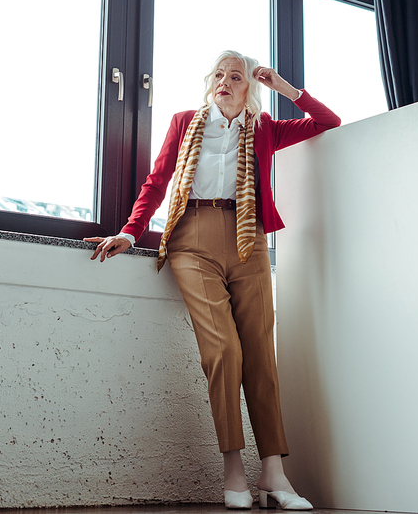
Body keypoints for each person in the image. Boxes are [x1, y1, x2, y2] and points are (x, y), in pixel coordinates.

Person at [85, 51, 340, 510]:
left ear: (250, 87)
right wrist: (130, 231)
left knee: (261, 354)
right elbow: (157, 181)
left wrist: (285, 88)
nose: (224, 81)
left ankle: (276, 474)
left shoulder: (264, 128)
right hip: (192, 239)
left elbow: (328, 121)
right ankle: (234, 469)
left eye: (235, 76)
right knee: (224, 350)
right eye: (218, 75)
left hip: (249, 240)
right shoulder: (185, 122)